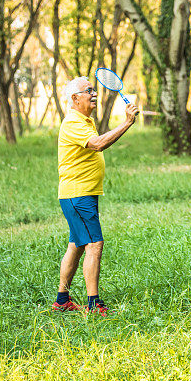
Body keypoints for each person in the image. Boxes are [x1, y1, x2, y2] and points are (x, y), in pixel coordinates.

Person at [52, 76, 138, 316]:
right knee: (94, 244)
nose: (93, 94)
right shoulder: (73, 123)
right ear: (74, 99)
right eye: (87, 90)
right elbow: (98, 144)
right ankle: (94, 303)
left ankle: (62, 300)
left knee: (77, 245)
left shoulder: (84, 120)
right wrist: (127, 123)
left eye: (93, 90)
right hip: (78, 195)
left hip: (81, 194)